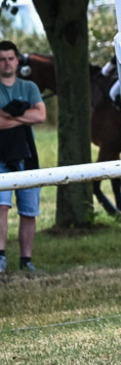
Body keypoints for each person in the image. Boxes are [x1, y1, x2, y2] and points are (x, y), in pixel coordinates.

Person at [0, 40, 47, 273]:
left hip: (27, 156)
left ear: (17, 61)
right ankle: (0, 257)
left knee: (29, 211)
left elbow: (41, 116)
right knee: (1, 206)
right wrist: (22, 114)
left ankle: (26, 260)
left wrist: (10, 115)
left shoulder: (29, 87)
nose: (7, 63)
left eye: (10, 58)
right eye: (2, 59)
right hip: (1, 157)